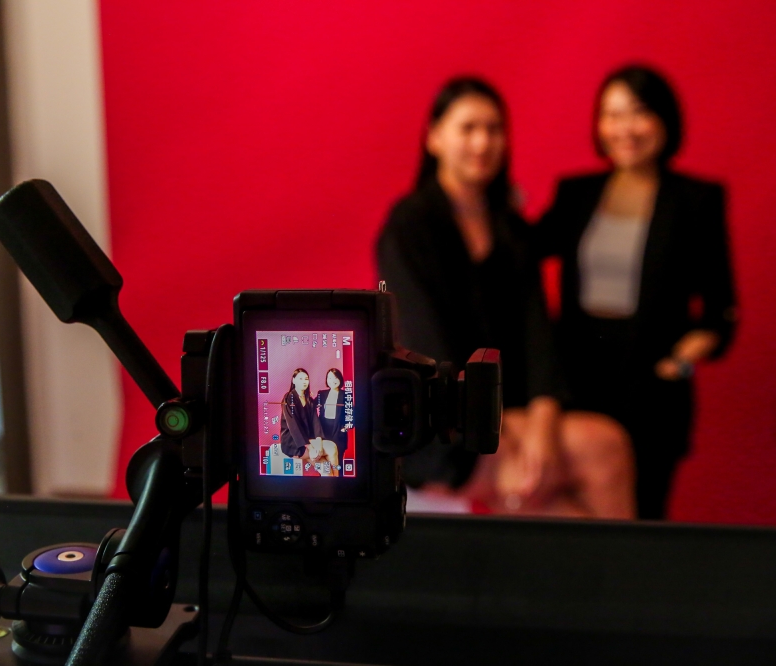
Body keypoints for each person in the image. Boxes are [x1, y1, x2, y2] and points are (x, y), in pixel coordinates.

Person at [376, 76, 635, 518]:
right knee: (590, 470)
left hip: (510, 412)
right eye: (468, 128)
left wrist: (544, 421)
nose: (483, 142)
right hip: (444, 424)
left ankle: (629, 583)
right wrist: (509, 436)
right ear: (435, 137)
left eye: (494, 129)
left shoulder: (509, 226)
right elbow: (429, 348)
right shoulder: (409, 226)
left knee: (604, 457)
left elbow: (538, 332)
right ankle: (633, 584)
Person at [534, 65, 738, 519]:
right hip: (580, 381)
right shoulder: (576, 194)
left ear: (665, 120)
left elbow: (720, 310)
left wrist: (680, 362)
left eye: (638, 113)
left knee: (640, 524)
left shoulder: (696, 201)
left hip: (652, 389)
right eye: (611, 115)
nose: (624, 129)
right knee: (574, 519)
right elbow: (519, 253)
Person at [280, 368, 338, 471]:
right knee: (331, 450)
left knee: (328, 468)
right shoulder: (289, 398)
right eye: (300, 379)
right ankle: (337, 483)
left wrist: (319, 443)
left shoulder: (309, 400)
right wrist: (311, 448)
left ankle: (337, 484)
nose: (304, 381)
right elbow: (293, 426)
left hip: (307, 438)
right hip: (293, 442)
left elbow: (315, 422)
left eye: (306, 379)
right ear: (293, 380)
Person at [316, 368, 349, 463]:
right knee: (324, 464)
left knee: (337, 464)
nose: (332, 381)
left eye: (335, 378)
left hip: (338, 431)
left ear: (340, 379)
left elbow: (351, 414)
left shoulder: (346, 395)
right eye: (329, 378)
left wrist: (344, 429)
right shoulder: (321, 394)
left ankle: (338, 478)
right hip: (323, 431)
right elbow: (312, 406)